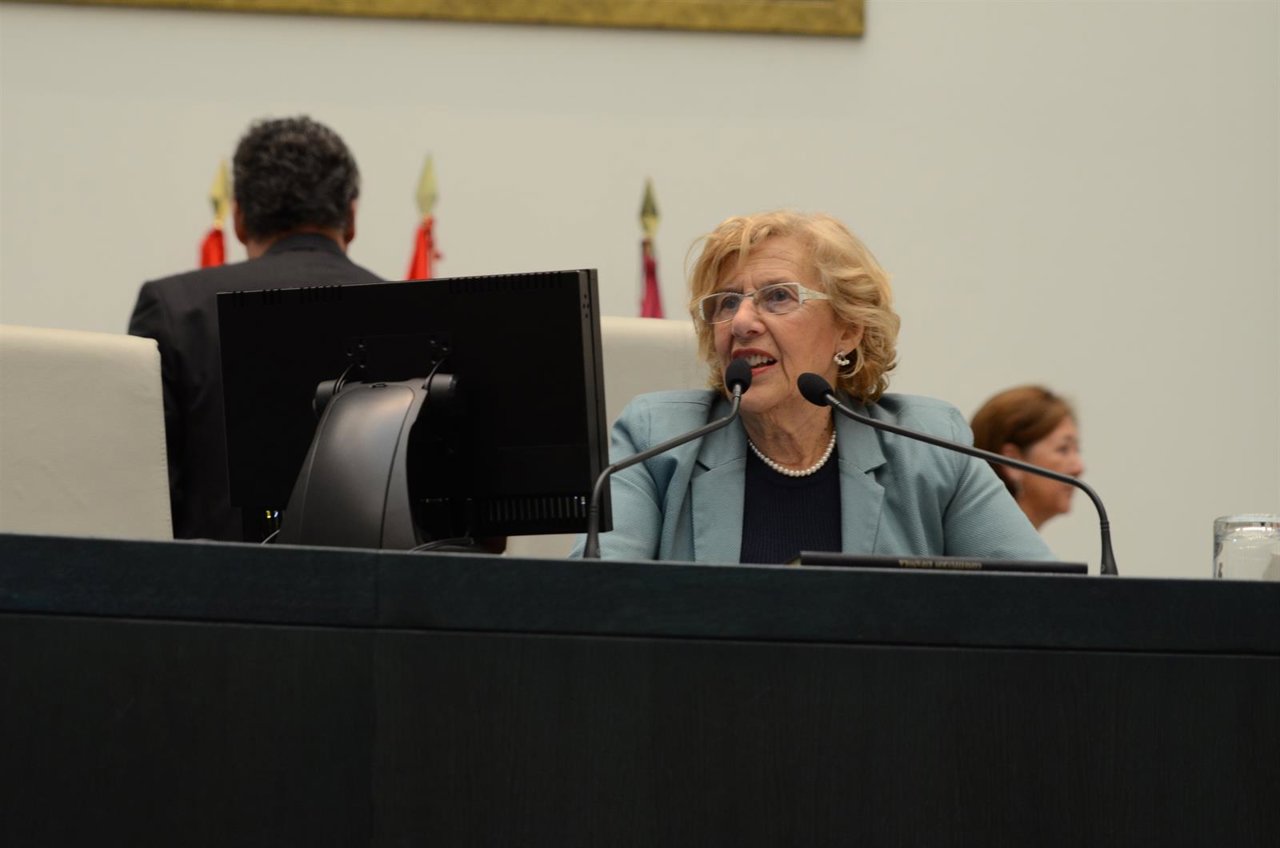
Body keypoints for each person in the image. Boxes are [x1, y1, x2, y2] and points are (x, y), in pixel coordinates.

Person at [574, 210, 1052, 564]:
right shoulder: (658, 440)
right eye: (725, 303)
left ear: (848, 329)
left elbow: (1043, 603)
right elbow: (594, 602)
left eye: (777, 296)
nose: (741, 322)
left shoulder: (929, 447)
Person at [128, 116, 380, 542]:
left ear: (239, 219)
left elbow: (146, 498)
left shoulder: (176, 310)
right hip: (378, 583)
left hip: (215, 582)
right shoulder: (417, 310)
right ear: (351, 218)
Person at [970, 386, 1084, 530]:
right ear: (1012, 461)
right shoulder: (986, 541)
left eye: (1077, 450)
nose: (1079, 468)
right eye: (1063, 449)